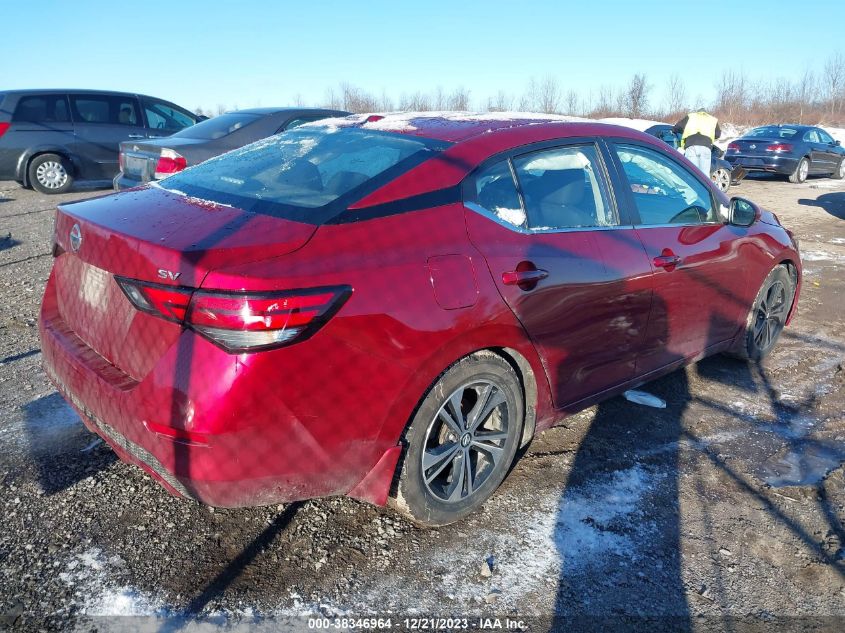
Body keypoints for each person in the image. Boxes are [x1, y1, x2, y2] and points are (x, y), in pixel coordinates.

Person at [673, 109, 721, 175]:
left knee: (691, 172)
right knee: (704, 175)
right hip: (706, 146)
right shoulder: (713, 120)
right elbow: (717, 134)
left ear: (698, 112)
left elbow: (677, 127)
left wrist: (678, 131)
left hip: (691, 145)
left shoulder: (691, 116)